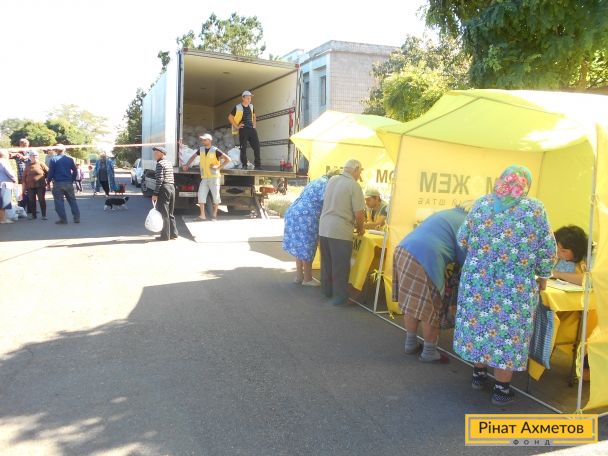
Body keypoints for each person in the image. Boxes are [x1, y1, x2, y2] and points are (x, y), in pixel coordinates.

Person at [454, 165, 556, 406]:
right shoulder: (534, 209)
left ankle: (478, 375)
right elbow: (547, 249)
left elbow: (462, 239)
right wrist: (543, 275)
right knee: (507, 332)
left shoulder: (482, 203)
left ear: (502, 180)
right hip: (514, 286)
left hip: (477, 280)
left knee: (479, 325)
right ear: (526, 184)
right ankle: (501, 389)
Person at [393, 206, 469, 364]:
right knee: (431, 307)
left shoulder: (448, 213)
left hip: (403, 249)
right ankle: (429, 352)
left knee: (412, 303)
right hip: (426, 257)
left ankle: (410, 343)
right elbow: (465, 258)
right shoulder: (468, 222)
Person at [318, 159, 366, 305]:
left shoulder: (332, 180)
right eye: (360, 171)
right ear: (356, 169)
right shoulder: (354, 185)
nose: (360, 175)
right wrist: (361, 228)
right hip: (340, 230)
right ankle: (339, 297)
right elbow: (359, 214)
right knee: (340, 266)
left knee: (327, 263)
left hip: (324, 227)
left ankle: (326, 291)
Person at [283, 169, 341, 286]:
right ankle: (308, 279)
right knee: (307, 246)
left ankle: (299, 276)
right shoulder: (328, 185)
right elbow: (329, 206)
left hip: (294, 211)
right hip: (307, 215)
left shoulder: (317, 181)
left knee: (300, 246)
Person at [182, 134, 231, 221]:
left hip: (214, 177)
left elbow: (228, 159)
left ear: (210, 140)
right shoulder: (201, 150)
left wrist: (218, 167)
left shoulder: (215, 150)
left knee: (216, 197)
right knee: (201, 196)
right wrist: (187, 165)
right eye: (202, 140)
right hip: (204, 177)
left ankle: (214, 215)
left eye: (205, 140)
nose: (203, 141)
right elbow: (193, 157)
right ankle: (202, 216)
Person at [46, 144, 80, 224]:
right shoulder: (69, 159)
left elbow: (51, 172)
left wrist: (48, 181)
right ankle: (76, 218)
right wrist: (72, 180)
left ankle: (63, 219)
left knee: (59, 202)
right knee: (72, 201)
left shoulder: (53, 159)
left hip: (58, 183)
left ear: (56, 150)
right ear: (64, 150)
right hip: (68, 182)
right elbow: (75, 171)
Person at [228, 90, 261, 170]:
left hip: (251, 129)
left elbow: (254, 116)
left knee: (257, 146)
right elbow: (230, 117)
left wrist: (254, 125)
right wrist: (236, 126)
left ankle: (258, 165)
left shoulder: (251, 106)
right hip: (243, 129)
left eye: (250, 98)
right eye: (248, 98)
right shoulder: (237, 107)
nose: (249, 99)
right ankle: (244, 165)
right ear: (243, 98)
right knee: (243, 148)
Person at [151, 146, 178, 241]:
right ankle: (174, 234)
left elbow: (160, 179)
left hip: (164, 188)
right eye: (154, 152)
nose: (154, 154)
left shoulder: (160, 164)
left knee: (164, 213)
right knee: (170, 213)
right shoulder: (169, 163)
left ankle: (165, 236)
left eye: (156, 153)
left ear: (162, 154)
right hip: (171, 187)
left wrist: (155, 193)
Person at [22, 150, 49, 220]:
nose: (35, 157)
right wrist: (23, 188)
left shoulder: (41, 164)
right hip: (30, 186)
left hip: (40, 185)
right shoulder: (27, 165)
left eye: (36, 156)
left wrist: (45, 179)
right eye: (33, 156)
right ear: (30, 157)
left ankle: (44, 215)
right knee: (31, 200)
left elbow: (48, 172)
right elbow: (24, 177)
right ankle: (33, 215)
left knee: (41, 199)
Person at [0, 150, 17, 224]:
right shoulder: (4, 162)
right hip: (4, 184)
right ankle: (3, 219)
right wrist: (14, 179)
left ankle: (2, 219)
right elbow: (10, 173)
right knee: (3, 203)